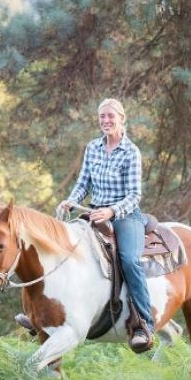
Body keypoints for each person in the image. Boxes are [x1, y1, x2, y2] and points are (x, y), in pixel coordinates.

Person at [39, 98, 154, 352]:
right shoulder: (92, 147)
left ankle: (144, 323)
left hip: (125, 216)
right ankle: (44, 312)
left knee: (129, 260)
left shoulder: (131, 152)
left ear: (122, 119)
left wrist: (111, 211)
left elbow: (134, 195)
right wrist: (71, 200)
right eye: (102, 116)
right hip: (93, 213)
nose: (106, 121)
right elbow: (84, 183)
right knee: (62, 249)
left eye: (111, 116)